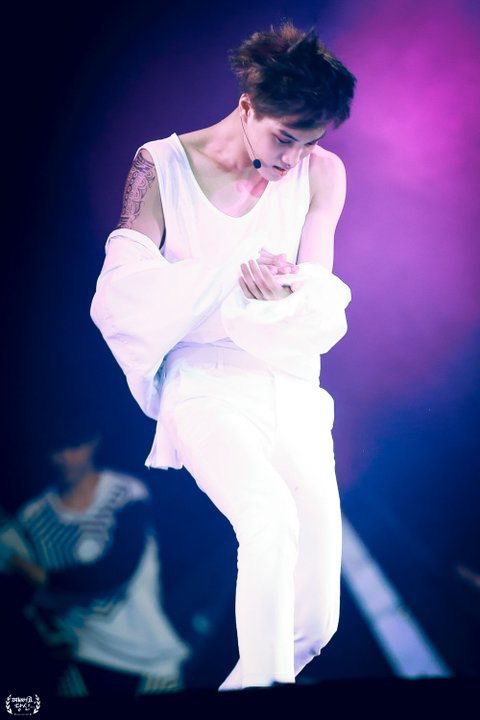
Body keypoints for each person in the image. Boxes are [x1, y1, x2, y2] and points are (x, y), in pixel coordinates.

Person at [90, 22, 356, 690]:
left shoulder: (323, 174)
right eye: (285, 138)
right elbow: (121, 293)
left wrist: (284, 294)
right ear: (247, 106)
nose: (295, 158)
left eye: (311, 141)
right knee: (267, 519)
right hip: (203, 380)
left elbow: (319, 296)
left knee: (314, 622)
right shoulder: (161, 164)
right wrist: (226, 280)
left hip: (288, 385)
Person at [0, 426, 190, 697]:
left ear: (93, 443)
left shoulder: (127, 494)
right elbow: (28, 598)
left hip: (150, 660)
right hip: (80, 659)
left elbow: (115, 570)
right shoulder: (32, 516)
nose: (65, 458)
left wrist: (38, 574)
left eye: (73, 447)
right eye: (57, 449)